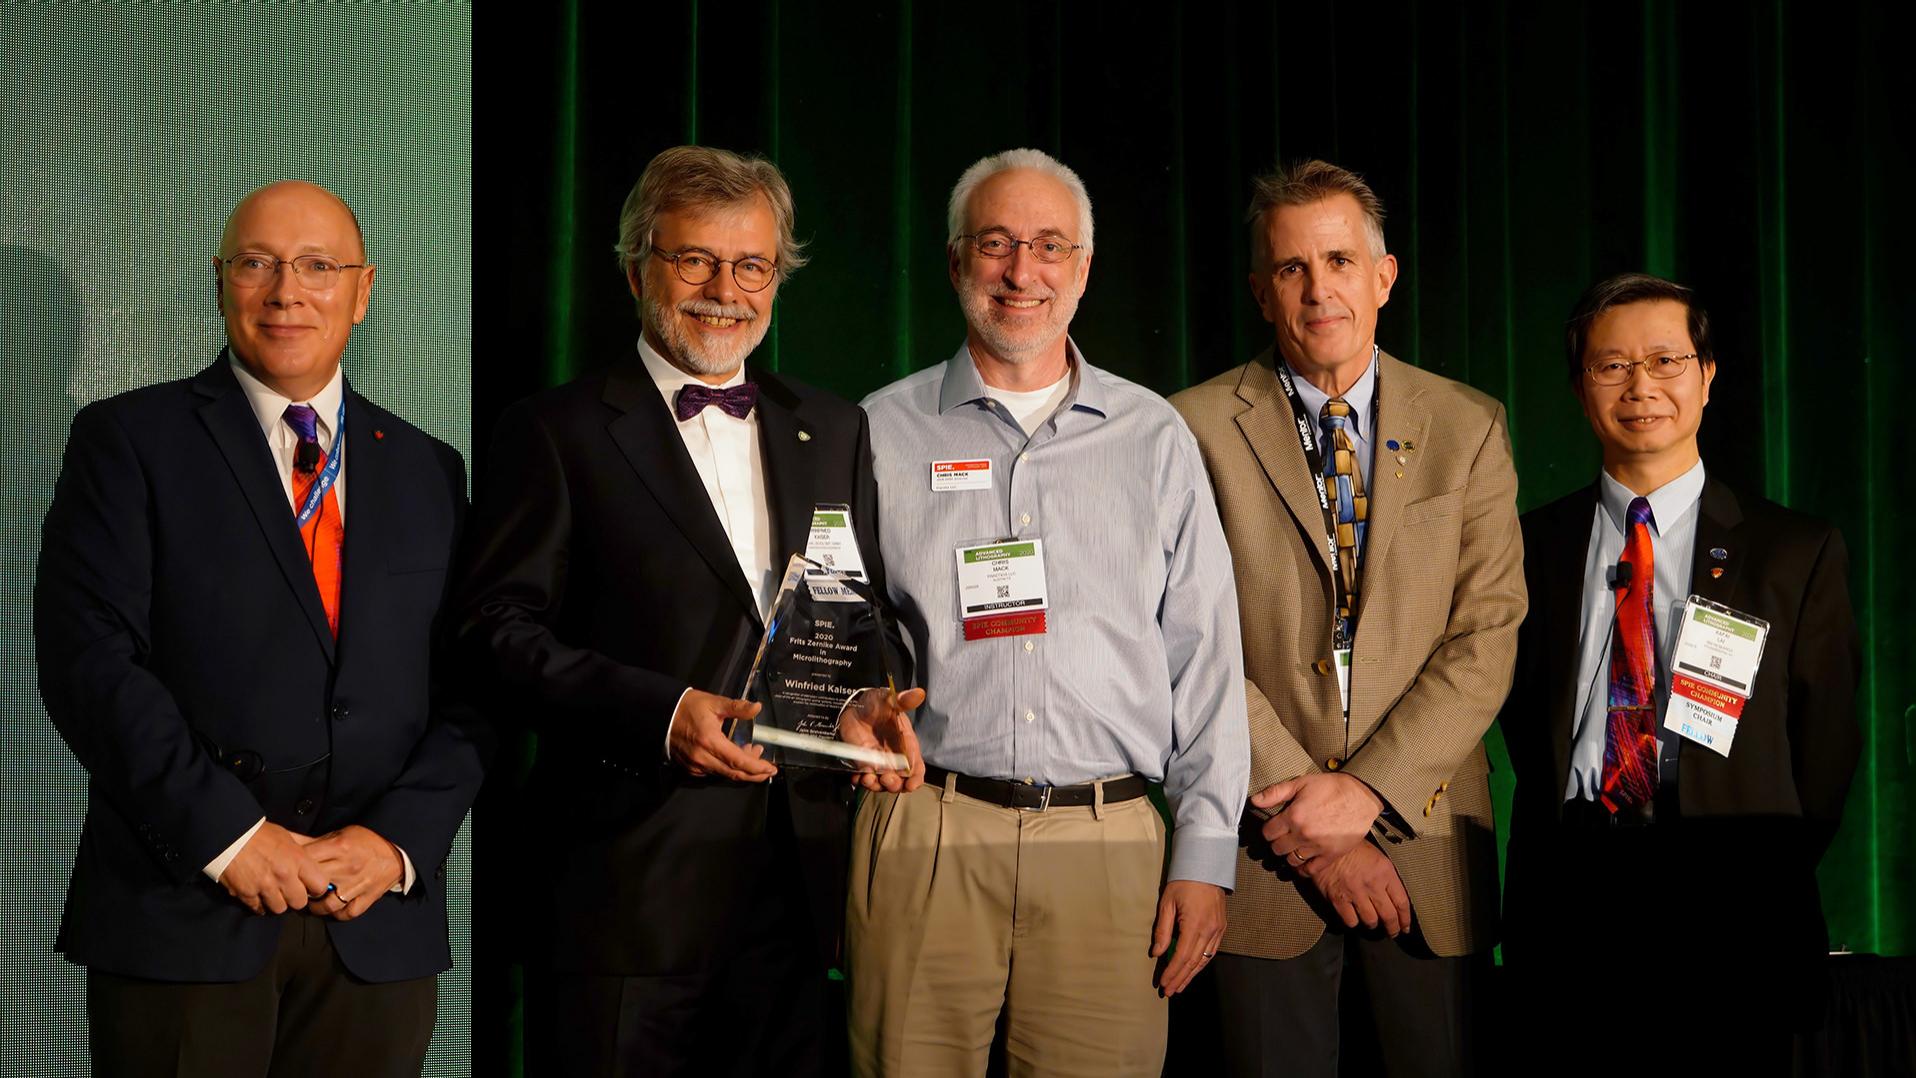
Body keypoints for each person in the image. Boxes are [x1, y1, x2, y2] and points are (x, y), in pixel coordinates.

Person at [453, 145, 921, 1077]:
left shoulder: (832, 427)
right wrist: (659, 714)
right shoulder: (555, 430)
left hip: (798, 895)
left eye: (752, 266)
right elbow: (491, 634)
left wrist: (871, 700)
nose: (725, 290)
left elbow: (850, 611)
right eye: (694, 260)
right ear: (637, 267)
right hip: (624, 897)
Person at [34, 180, 483, 1075]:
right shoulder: (128, 439)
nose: (287, 291)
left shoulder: (432, 469)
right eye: (257, 263)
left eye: (318, 266)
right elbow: (90, 662)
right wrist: (230, 839)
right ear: (220, 280)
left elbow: (475, 686)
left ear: (363, 289)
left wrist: (396, 842)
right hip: (186, 915)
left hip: (374, 929)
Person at [849, 147, 1250, 1077]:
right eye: (994, 245)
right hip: (927, 830)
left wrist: (1204, 852)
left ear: (1083, 269)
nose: (1020, 273)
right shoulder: (877, 430)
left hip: (1107, 845)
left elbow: (1208, 658)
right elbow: (837, 628)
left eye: (1048, 247)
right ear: (956, 264)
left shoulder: (1154, 437)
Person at [1170, 159, 1525, 1078]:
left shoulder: (1469, 423)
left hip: (1427, 845)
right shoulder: (1190, 429)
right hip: (1262, 850)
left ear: (1384, 276)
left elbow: (1486, 635)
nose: (1318, 288)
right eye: (1291, 268)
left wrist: (1367, 793)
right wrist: (1316, 829)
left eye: (1338, 260)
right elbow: (1184, 638)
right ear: (1259, 290)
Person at [1499, 273, 1859, 1074]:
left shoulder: (1792, 551)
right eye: (1612, 366)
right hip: (1573, 898)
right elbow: (1518, 719)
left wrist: (1756, 868)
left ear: (1707, 375)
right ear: (1580, 386)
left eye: (1666, 360)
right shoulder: (1525, 547)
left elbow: (1826, 751)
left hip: (1732, 908)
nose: (1642, 388)